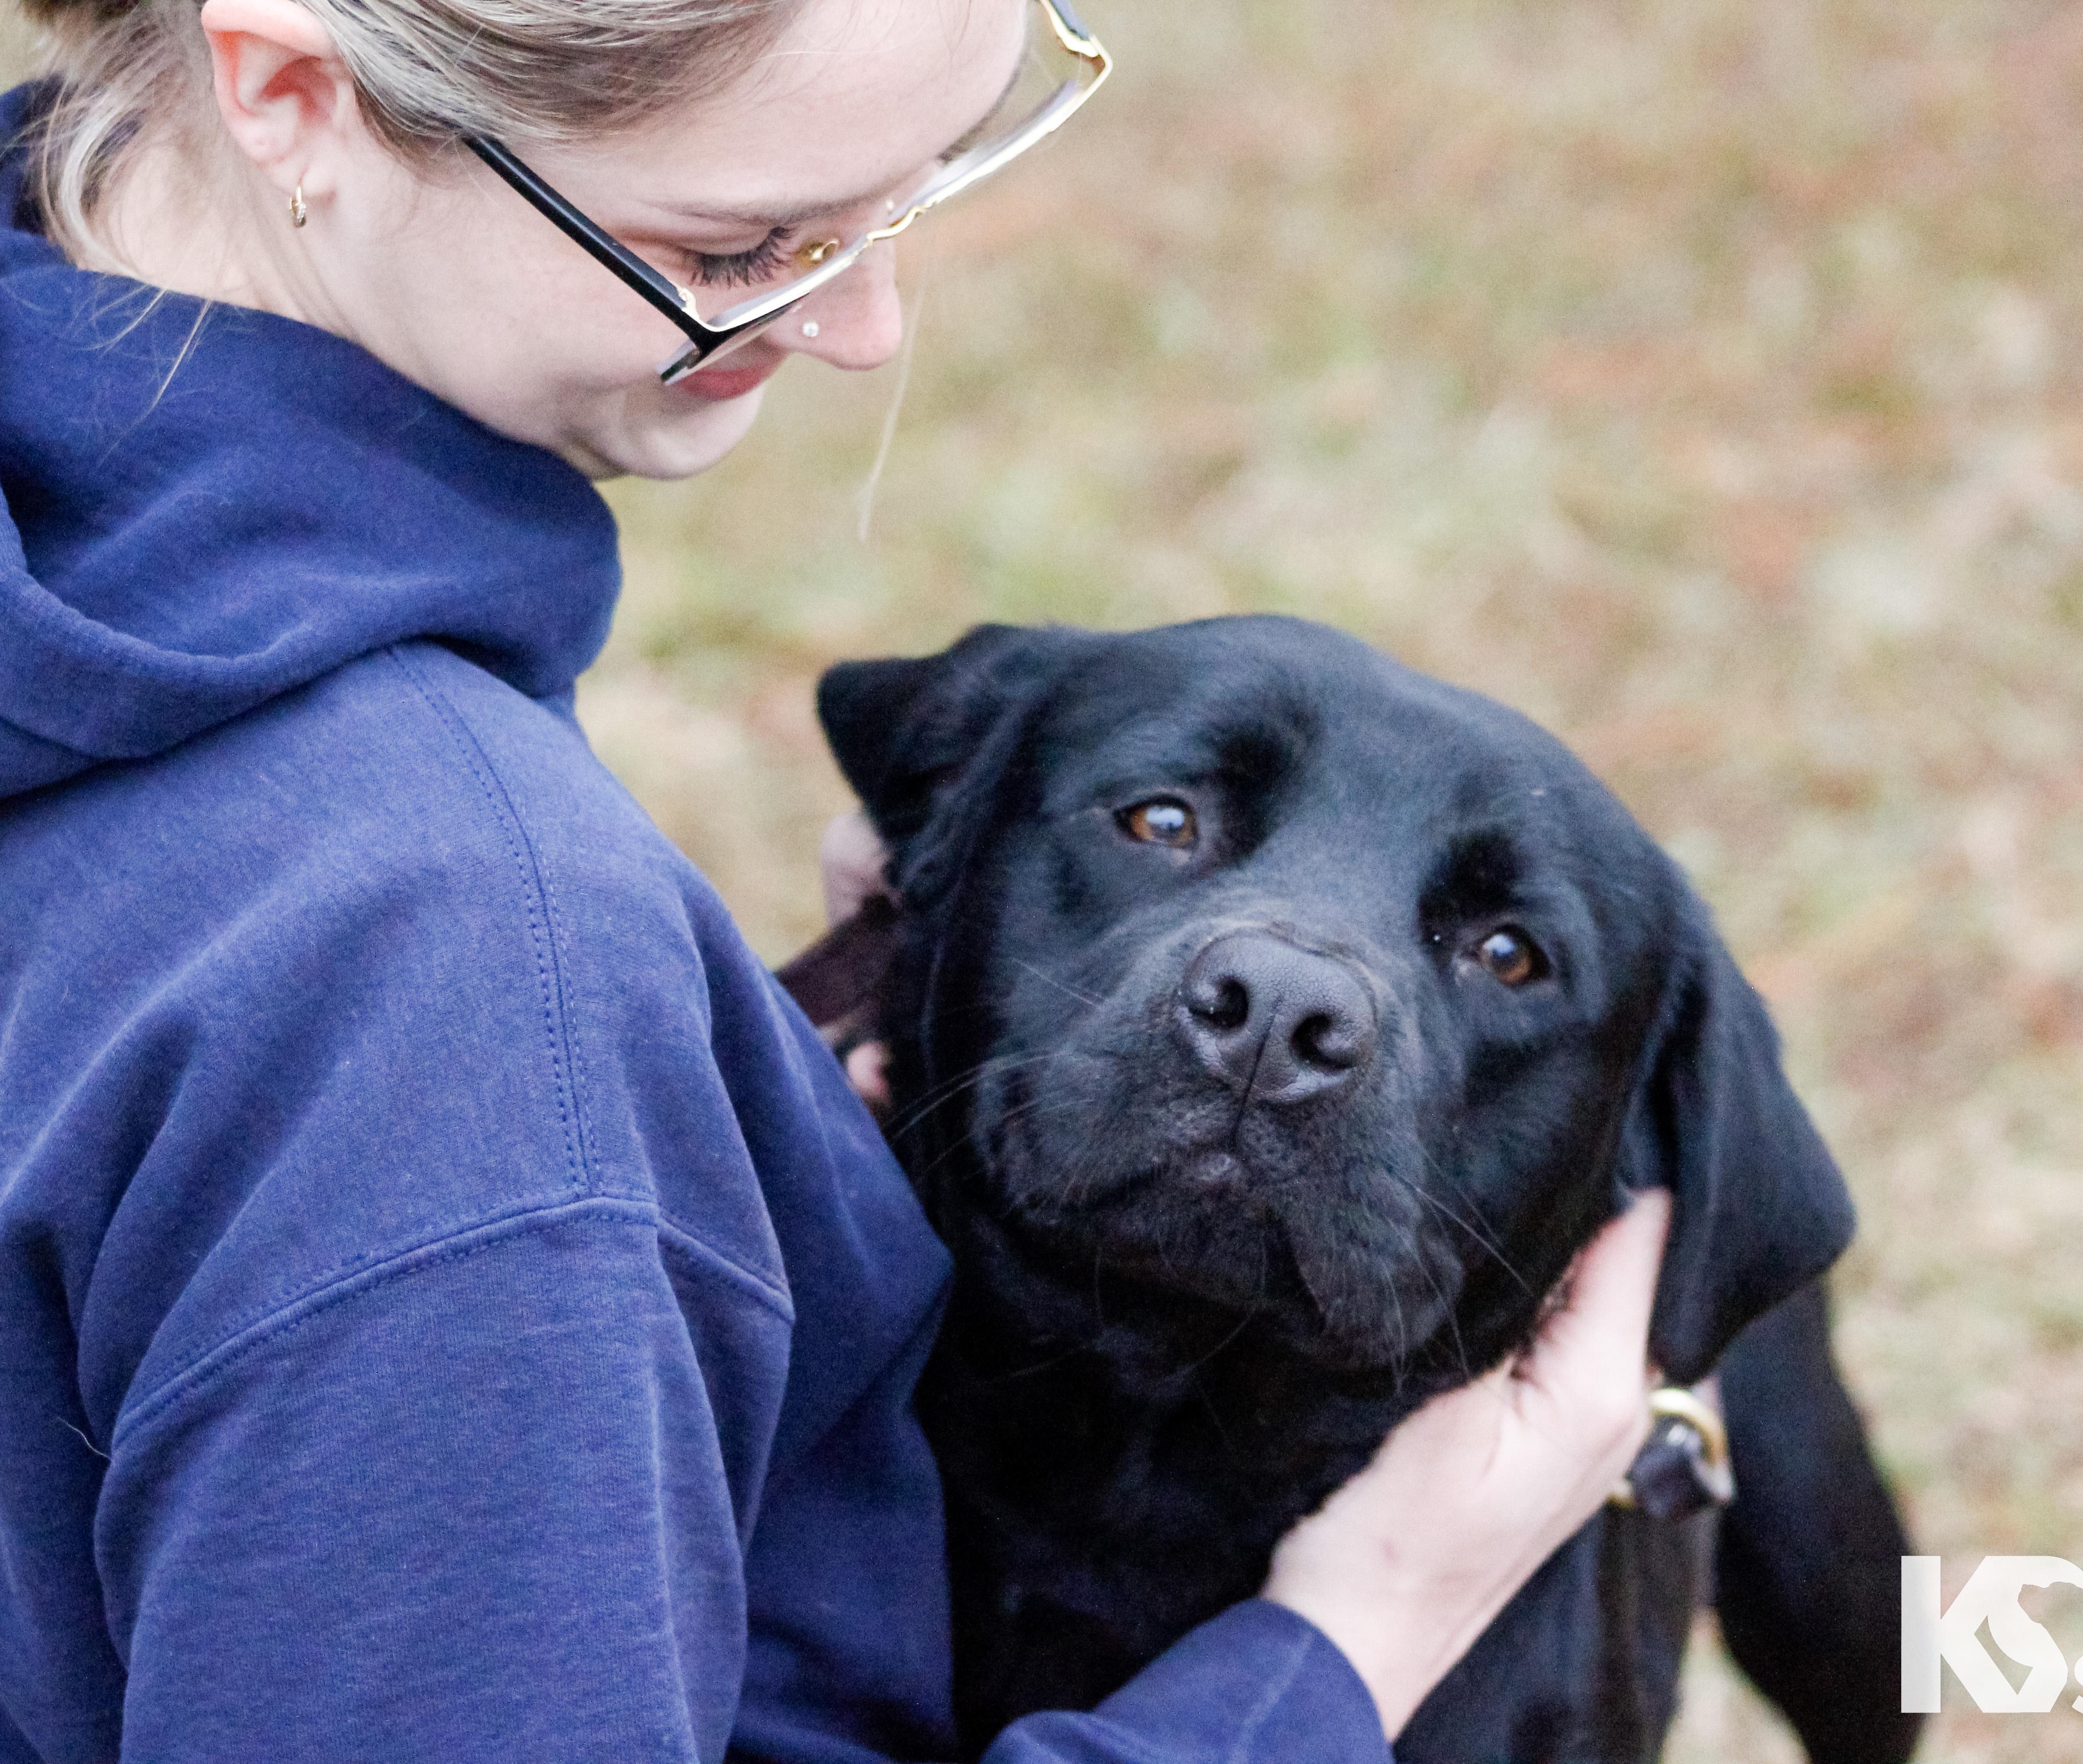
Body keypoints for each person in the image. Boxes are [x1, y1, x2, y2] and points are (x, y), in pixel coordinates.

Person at [0, 0, 1673, 1755]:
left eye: (918, 193)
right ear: (285, 90)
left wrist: (737, 1105)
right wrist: (1331, 1662)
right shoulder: (470, 996)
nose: (865, 330)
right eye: (740, 248)